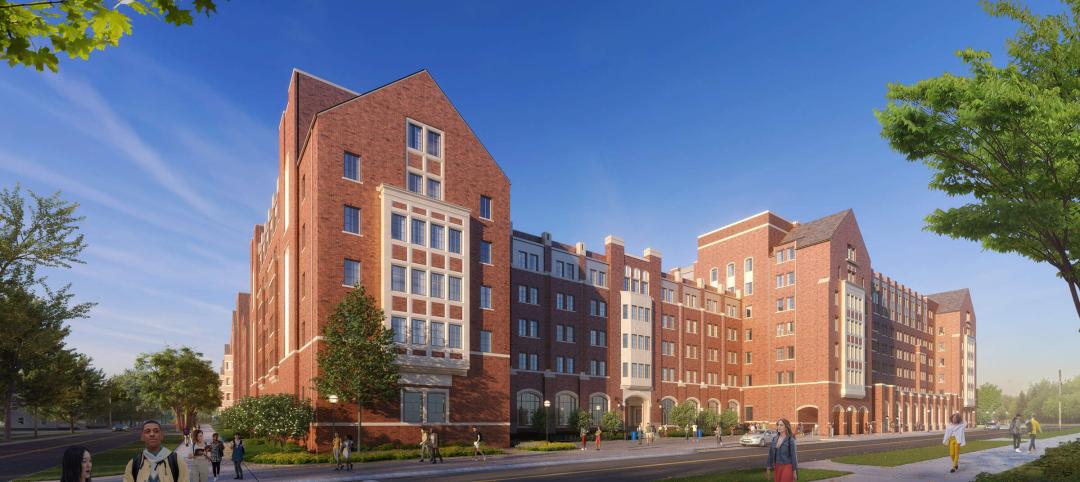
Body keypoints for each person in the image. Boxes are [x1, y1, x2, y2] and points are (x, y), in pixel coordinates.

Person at [123, 420, 189, 482]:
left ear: (162, 436)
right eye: (147, 431)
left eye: (156, 431)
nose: (152, 434)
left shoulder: (177, 461)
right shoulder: (133, 464)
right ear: (142, 437)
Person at [765, 418, 798, 482]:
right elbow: (771, 454)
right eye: (778, 425)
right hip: (777, 466)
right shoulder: (774, 438)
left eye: (781, 425)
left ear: (786, 427)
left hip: (787, 467)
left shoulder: (790, 440)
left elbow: (794, 456)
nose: (779, 427)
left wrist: (794, 471)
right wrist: (768, 467)